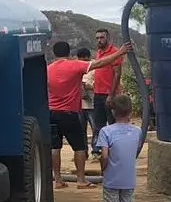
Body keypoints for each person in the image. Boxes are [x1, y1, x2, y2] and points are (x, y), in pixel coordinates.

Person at [48, 40, 133, 190]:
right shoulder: (74, 65)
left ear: (54, 53)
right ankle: (81, 180)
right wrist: (119, 53)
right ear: (69, 53)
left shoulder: (48, 69)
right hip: (69, 113)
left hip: (52, 113)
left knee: (55, 147)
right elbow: (100, 63)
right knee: (79, 147)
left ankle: (58, 180)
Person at [97, 95, 142, 202]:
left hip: (111, 178)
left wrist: (103, 169)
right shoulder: (137, 131)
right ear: (130, 111)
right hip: (128, 178)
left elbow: (104, 156)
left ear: (113, 112)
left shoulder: (106, 131)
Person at [91, 28, 125, 155]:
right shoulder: (99, 52)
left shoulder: (115, 52)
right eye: (97, 38)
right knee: (98, 124)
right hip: (98, 93)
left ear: (108, 38)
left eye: (102, 37)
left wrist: (111, 95)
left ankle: (115, 149)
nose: (99, 40)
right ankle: (97, 150)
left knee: (112, 123)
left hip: (110, 94)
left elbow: (117, 74)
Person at [77, 47, 96, 138]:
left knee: (95, 128)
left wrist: (86, 86)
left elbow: (99, 84)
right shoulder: (77, 66)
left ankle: (96, 146)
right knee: (81, 130)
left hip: (92, 104)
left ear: (87, 57)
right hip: (80, 105)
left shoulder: (95, 67)